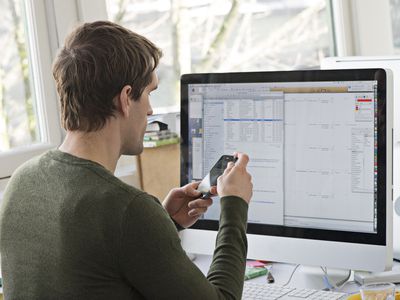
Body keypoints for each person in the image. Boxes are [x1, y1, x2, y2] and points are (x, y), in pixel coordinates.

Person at [0, 21, 253, 299]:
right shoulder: (127, 210)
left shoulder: (21, 182)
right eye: (147, 94)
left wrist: (164, 223)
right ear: (124, 99)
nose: (150, 109)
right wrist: (235, 205)